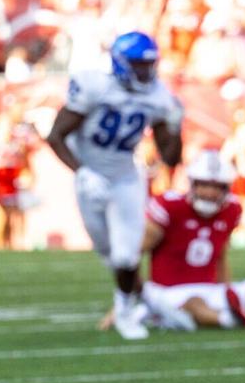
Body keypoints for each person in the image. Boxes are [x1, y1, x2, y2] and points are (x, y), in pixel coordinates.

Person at [46, 31, 183, 340]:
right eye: (138, 65)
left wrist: (175, 128)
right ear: (121, 64)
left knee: (125, 256)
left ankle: (125, 313)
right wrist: (82, 172)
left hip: (125, 178)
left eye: (149, 65)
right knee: (109, 255)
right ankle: (147, 300)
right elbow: (55, 136)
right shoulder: (94, 85)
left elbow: (171, 156)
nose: (145, 71)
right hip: (90, 176)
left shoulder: (159, 96)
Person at [104, 150, 245, 334]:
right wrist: (127, 303)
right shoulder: (170, 206)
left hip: (210, 289)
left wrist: (226, 290)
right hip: (168, 293)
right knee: (194, 304)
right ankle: (228, 318)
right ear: (193, 184)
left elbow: (220, 253)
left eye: (217, 187)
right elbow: (131, 257)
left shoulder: (232, 209)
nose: (210, 192)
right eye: (204, 184)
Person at [0, 98, 39, 251]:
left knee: (12, 218)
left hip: (10, 182)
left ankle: (9, 247)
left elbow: (24, 161)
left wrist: (28, 175)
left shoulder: (17, 142)